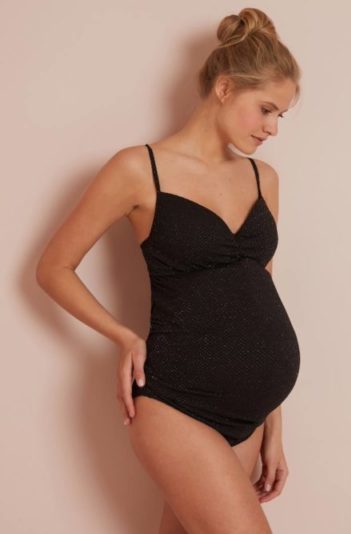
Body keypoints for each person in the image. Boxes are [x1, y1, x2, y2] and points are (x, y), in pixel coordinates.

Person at [36, 7, 302, 534]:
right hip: (178, 401)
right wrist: (123, 336)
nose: (273, 128)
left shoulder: (263, 179)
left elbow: (261, 291)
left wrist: (275, 422)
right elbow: (54, 268)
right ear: (225, 88)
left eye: (281, 116)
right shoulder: (139, 169)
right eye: (266, 109)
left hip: (251, 414)